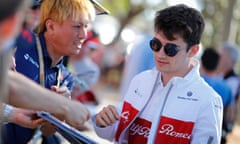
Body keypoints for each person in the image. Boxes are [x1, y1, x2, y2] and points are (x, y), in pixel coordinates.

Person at [93, 4, 223, 143]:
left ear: (193, 51)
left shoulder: (208, 101)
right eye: (156, 44)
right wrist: (103, 123)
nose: (160, 54)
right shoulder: (141, 80)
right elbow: (116, 132)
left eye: (171, 49)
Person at [3, 0, 96, 143]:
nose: (83, 35)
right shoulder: (19, 45)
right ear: (51, 26)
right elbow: (9, 85)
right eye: (77, 26)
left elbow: (46, 131)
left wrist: (59, 113)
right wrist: (65, 105)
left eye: (86, 26)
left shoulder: (65, 77)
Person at [200, 47, 234, 144]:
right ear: (217, 64)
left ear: (202, 61)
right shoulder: (226, 87)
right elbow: (230, 115)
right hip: (215, 133)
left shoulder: (195, 82)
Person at [217, 42, 240, 143]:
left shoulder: (233, 80)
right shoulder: (220, 76)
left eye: (221, 56)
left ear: (232, 61)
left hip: (221, 126)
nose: (218, 59)